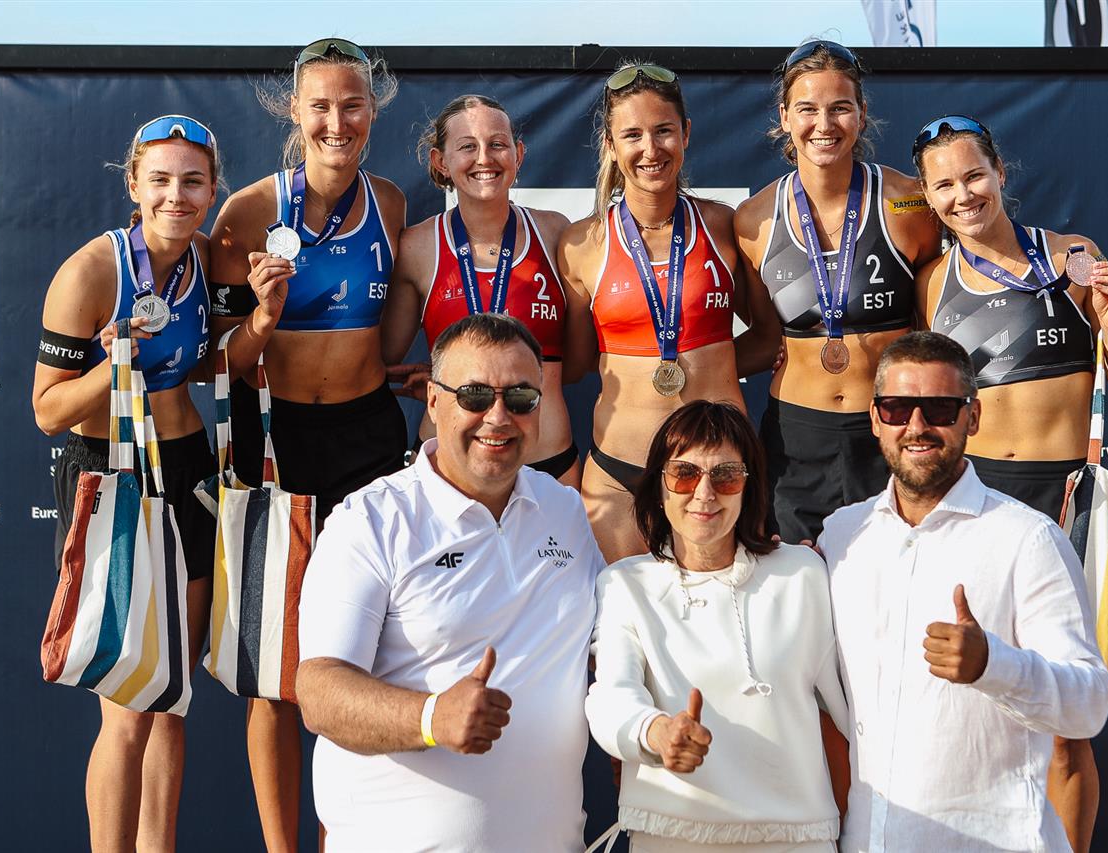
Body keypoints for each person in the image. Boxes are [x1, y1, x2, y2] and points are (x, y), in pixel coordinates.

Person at [911, 115, 1108, 851]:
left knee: (1067, 726)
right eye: (944, 185)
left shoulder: (1073, 257)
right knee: (984, 713)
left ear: (1000, 171)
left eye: (973, 175)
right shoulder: (934, 283)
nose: (963, 194)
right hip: (982, 506)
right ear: (930, 198)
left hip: (1066, 503)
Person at [206, 37, 410, 850]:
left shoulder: (392, 204)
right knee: (275, 674)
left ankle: (347, 836)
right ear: (294, 111)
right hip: (275, 440)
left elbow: (394, 318)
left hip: (366, 438)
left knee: (361, 656)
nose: (337, 121)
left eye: (352, 105)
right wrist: (260, 317)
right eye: (320, 106)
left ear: (372, 111)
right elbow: (215, 362)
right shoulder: (248, 213)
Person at [295, 313, 603, 851]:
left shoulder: (564, 510)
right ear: (433, 401)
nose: (498, 417)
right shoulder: (370, 521)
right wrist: (431, 717)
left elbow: (608, 649)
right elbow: (319, 691)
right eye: (475, 395)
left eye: (522, 398)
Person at [818, 331, 1108, 853]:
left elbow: (1088, 705)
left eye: (939, 408)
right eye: (897, 408)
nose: (916, 426)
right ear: (874, 417)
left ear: (972, 418)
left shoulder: (1028, 538)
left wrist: (991, 665)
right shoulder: (840, 536)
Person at [32, 114, 220, 852]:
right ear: (135, 184)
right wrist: (113, 370)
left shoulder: (209, 257)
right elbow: (47, 410)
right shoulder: (91, 272)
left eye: (193, 181)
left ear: (212, 189)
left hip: (189, 469)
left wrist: (261, 318)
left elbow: (208, 361)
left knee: (171, 700)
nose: (178, 195)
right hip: (110, 478)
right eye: (162, 180)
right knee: (127, 710)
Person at [585, 401, 849, 852]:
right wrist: (656, 732)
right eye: (684, 474)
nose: (705, 493)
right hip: (671, 836)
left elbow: (850, 711)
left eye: (725, 475)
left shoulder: (804, 573)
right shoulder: (625, 585)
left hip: (795, 837)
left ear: (749, 487)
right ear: (660, 488)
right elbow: (611, 698)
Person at [560, 61, 779, 563]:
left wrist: (713, 364)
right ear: (611, 146)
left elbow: (768, 338)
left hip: (717, 472)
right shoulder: (581, 244)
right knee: (625, 629)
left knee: (720, 625)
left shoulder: (725, 227)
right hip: (619, 474)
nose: (650, 149)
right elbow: (573, 365)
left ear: (686, 133)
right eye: (632, 135)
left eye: (663, 131)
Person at [735, 39, 941, 545]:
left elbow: (939, 321)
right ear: (784, 117)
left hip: (890, 428)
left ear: (862, 115)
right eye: (806, 108)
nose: (823, 125)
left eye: (840, 108)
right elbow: (765, 336)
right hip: (795, 436)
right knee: (800, 587)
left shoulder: (908, 203)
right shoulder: (753, 221)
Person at [395, 93, 579, 485]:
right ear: (440, 161)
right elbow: (383, 357)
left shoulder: (555, 233)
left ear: (519, 154)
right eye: (467, 147)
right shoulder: (416, 247)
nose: (485, 158)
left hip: (547, 465)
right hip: (449, 471)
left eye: (498, 144)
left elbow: (583, 358)